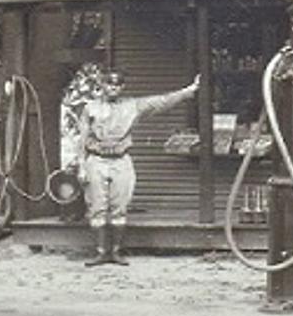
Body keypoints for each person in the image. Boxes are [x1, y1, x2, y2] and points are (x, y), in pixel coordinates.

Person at [70, 68, 199, 266]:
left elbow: (161, 101)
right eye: (109, 84)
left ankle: (115, 251)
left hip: (121, 160)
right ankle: (101, 251)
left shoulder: (132, 106)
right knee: (97, 208)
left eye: (117, 85)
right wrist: (81, 165)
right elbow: (83, 137)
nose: (113, 88)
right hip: (96, 160)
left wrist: (189, 90)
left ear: (122, 87)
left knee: (120, 207)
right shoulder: (90, 108)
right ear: (102, 85)